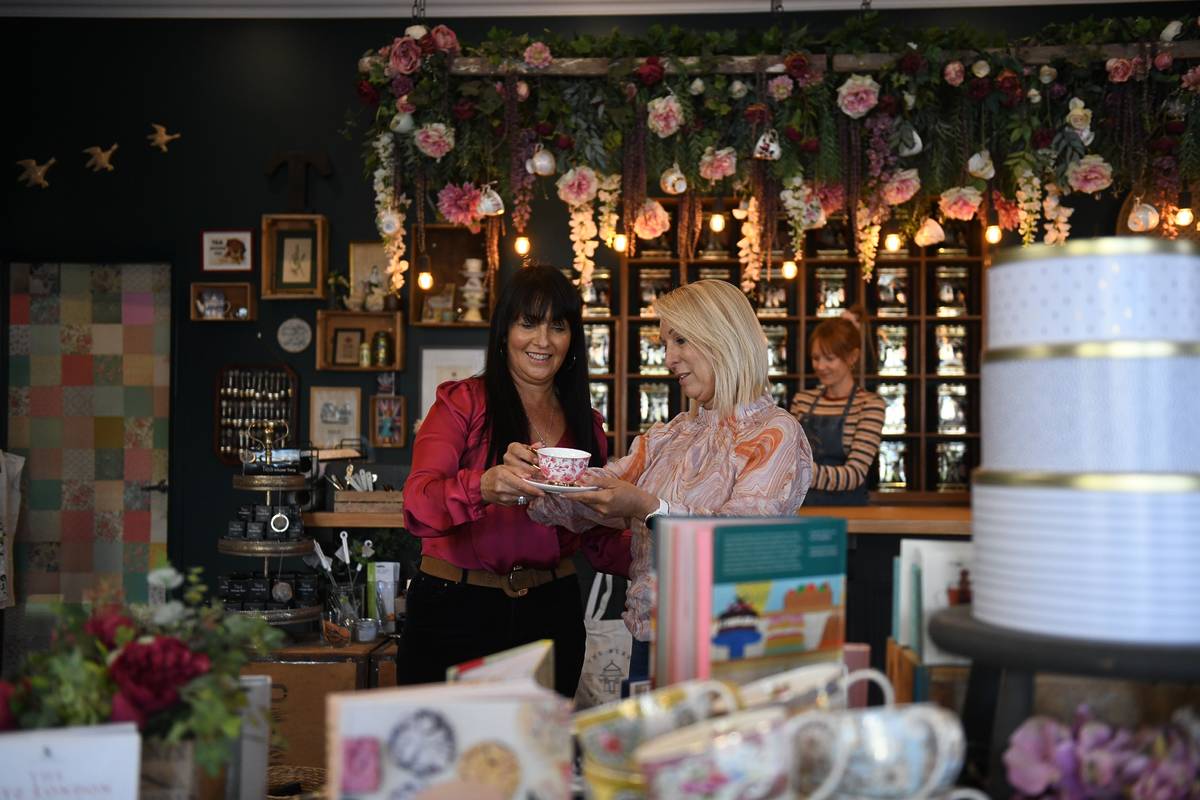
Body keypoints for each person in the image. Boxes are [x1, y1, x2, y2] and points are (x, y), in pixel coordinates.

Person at [514, 279, 812, 674]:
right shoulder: (672, 433)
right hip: (649, 640)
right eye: (666, 344)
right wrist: (532, 476)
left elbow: (739, 544)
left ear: (722, 337)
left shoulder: (775, 433)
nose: (669, 359)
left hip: (725, 648)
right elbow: (599, 489)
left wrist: (649, 507)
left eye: (681, 341)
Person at [400, 265, 630, 698]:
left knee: (537, 760)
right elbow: (417, 502)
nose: (543, 341)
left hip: (551, 610)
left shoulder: (587, 425)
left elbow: (597, 538)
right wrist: (483, 487)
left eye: (557, 327)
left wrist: (665, 543)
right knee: (449, 760)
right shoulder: (462, 402)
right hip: (455, 607)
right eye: (529, 323)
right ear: (504, 330)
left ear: (572, 340)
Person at [789, 317, 885, 506]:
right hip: (802, 508)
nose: (821, 366)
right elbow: (787, 458)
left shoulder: (870, 405)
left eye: (830, 359)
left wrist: (802, 472)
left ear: (852, 357)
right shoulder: (802, 401)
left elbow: (854, 475)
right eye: (816, 358)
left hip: (848, 513)